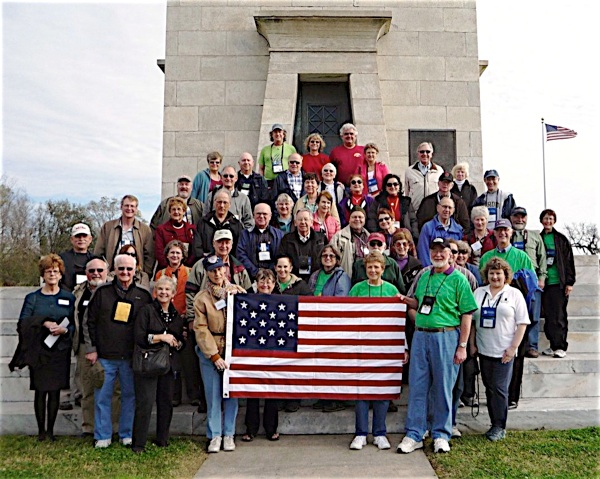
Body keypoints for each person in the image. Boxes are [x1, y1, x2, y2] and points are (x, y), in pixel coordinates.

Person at [397, 238, 477, 455]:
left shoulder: (459, 279)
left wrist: (462, 346)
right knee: (418, 386)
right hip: (421, 336)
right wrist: (405, 300)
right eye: (434, 251)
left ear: (450, 254)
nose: (438, 255)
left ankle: (441, 434)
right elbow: (420, 302)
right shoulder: (424, 276)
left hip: (446, 336)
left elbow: (467, 314)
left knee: (443, 387)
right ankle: (415, 433)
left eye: (442, 251)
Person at [85, 253, 153, 448]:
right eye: (121, 268)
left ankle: (126, 433)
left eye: (129, 269)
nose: (125, 272)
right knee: (102, 398)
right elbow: (88, 322)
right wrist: (91, 348)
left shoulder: (143, 295)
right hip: (104, 356)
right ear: (114, 270)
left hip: (131, 357)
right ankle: (103, 435)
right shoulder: (101, 292)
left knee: (129, 397)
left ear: (135, 270)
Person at [470, 258, 529, 441]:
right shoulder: (479, 292)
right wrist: (472, 344)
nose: (495, 277)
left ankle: (499, 426)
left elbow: (522, 323)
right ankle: (493, 423)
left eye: (499, 273)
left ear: (506, 276)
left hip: (505, 350)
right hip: (484, 349)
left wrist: (513, 348)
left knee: (500, 388)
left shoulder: (514, 294)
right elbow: (471, 320)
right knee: (489, 387)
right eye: (492, 273)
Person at [17, 254, 75, 441]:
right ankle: (41, 432)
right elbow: (23, 323)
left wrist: (65, 330)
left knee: (55, 390)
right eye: (48, 271)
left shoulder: (68, 297)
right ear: (42, 274)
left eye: (55, 271)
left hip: (59, 350)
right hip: (39, 351)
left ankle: (51, 431)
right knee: (41, 390)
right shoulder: (33, 298)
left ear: (61, 275)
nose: (52, 274)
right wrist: (44, 323)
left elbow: (74, 323)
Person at [479, 219, 535, 411]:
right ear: (493, 233)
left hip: (515, 311)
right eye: (499, 230)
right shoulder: (486, 256)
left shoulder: (522, 256)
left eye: (505, 230)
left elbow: (531, 286)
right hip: (492, 312)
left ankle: (512, 397)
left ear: (511, 232)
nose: (502, 233)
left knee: (515, 360)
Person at [348, 250, 401, 451]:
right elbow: (348, 317)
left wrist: (402, 346)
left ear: (382, 269)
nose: (372, 270)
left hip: (385, 347)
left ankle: (380, 432)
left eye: (376, 267)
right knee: (361, 390)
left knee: (382, 390)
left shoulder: (391, 290)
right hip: (361, 346)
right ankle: (360, 433)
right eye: (369, 267)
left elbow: (398, 322)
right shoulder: (357, 289)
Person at [193, 255, 246, 453]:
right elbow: (200, 329)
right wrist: (214, 356)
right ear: (207, 272)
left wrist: (238, 295)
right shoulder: (202, 298)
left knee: (231, 393)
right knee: (213, 394)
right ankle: (214, 435)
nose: (217, 274)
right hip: (211, 349)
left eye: (220, 269)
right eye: (213, 270)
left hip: (233, 348)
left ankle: (229, 433)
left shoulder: (236, 291)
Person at [131, 275, 185, 453]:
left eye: (167, 289)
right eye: (160, 289)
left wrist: (178, 342)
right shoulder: (146, 311)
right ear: (155, 292)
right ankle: (139, 444)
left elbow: (180, 339)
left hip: (168, 366)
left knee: (166, 403)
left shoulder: (176, 315)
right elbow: (138, 337)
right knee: (145, 403)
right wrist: (160, 337)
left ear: (173, 293)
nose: (163, 292)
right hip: (148, 364)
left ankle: (162, 439)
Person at [154, 240, 194, 407]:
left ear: (183, 255)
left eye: (178, 253)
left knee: (189, 359)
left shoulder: (190, 272)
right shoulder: (161, 273)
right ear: (167, 255)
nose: (175, 256)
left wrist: (187, 315)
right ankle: (174, 395)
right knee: (171, 359)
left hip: (185, 317)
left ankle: (194, 395)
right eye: (172, 253)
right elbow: (157, 296)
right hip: (167, 320)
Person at [73, 257, 110, 436]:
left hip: (109, 347)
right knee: (87, 388)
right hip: (84, 346)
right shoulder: (78, 292)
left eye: (99, 270)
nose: (96, 274)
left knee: (113, 389)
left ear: (107, 272)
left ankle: (113, 427)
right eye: (91, 271)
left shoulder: (112, 290)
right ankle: (89, 427)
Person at [242, 268, 280, 442]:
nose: (265, 284)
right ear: (256, 284)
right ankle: (251, 429)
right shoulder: (247, 302)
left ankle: (271, 428)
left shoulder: (282, 303)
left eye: (269, 281)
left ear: (274, 284)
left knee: (272, 392)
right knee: (253, 392)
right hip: (253, 351)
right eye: (262, 281)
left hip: (274, 352)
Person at [273, 254, 312, 413]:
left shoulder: (301, 285)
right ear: (275, 268)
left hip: (295, 331)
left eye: (285, 267)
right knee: (278, 367)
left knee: (293, 367)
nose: (282, 270)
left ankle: (293, 399)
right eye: (279, 267)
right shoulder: (271, 284)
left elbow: (310, 305)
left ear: (291, 268)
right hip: (275, 333)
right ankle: (280, 397)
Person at [510, 206, 547, 358]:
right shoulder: (506, 233)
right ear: (511, 218)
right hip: (512, 281)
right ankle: (514, 345)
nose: (520, 220)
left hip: (531, 280)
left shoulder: (534, 235)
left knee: (533, 315)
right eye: (516, 217)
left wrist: (542, 278)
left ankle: (532, 346)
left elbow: (542, 257)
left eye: (522, 217)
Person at [539, 208, 576, 359]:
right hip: (544, 283)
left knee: (559, 316)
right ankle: (552, 344)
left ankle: (560, 346)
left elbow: (569, 261)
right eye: (546, 218)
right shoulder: (538, 238)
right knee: (548, 315)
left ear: (554, 221)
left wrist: (569, 282)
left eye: (551, 219)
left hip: (558, 283)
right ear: (541, 220)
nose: (548, 221)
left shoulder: (561, 239)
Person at [94, 194, 154, 276]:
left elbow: (149, 256)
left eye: (132, 206)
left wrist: (145, 274)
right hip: (112, 274)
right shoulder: (108, 227)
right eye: (126, 205)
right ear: (121, 207)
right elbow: (99, 252)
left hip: (136, 275)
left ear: (136, 209)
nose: (129, 209)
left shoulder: (145, 229)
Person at [279, 209, 328, 282]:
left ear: (311, 222)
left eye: (306, 219)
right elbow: (281, 258)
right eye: (300, 219)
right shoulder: (287, 239)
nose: (303, 222)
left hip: (317, 280)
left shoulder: (321, 239)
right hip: (293, 280)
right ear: (295, 223)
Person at [236, 203, 283, 280]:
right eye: (258, 213)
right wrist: (255, 272)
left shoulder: (279, 235)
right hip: (250, 278)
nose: (261, 216)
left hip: (273, 278)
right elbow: (241, 255)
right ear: (253, 215)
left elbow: (280, 255)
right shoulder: (245, 234)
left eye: (265, 214)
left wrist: (269, 272)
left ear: (270, 216)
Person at [193, 189, 244, 258]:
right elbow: (197, 247)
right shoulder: (203, 223)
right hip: (206, 263)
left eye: (225, 202)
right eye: (219, 202)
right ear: (214, 203)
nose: (222, 205)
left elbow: (240, 249)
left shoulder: (236, 225)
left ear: (229, 204)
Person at [367, 173, 418, 241]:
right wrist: (376, 236)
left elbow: (413, 220)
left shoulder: (406, 201)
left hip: (404, 236)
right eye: (389, 184)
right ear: (385, 187)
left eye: (395, 184)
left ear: (399, 186)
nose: (392, 186)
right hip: (384, 237)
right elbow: (372, 219)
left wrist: (414, 236)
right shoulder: (378, 201)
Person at [417, 197, 464, 266]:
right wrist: (429, 270)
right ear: (438, 208)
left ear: (453, 210)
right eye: (444, 207)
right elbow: (423, 252)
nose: (447, 210)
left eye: (450, 208)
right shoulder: (427, 227)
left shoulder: (458, 229)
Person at [154, 197, 196, 269]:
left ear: (184, 212)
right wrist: (170, 268)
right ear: (170, 212)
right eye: (173, 209)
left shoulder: (191, 229)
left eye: (179, 209)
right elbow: (159, 252)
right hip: (165, 270)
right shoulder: (161, 230)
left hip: (186, 270)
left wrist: (183, 268)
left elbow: (194, 251)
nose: (176, 212)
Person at [330, 206, 370, 278]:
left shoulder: (370, 237)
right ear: (349, 219)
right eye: (354, 217)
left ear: (365, 220)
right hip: (346, 277)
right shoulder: (338, 237)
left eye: (360, 217)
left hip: (366, 278)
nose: (357, 219)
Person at [404, 141, 443, 211]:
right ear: (418, 154)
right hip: (415, 211)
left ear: (431, 154)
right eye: (422, 152)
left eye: (428, 152)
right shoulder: (409, 171)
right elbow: (407, 192)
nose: (425, 154)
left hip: (434, 210)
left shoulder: (439, 170)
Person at [59, 223, 94, 292]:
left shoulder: (96, 260)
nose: (81, 239)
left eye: (84, 236)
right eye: (78, 236)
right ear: (71, 239)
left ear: (90, 239)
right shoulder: (61, 259)